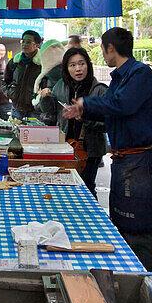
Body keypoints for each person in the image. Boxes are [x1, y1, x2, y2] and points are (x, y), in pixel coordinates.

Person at [63, 27, 152, 272]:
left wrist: (86, 103)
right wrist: (85, 112)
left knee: (138, 231)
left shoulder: (140, 74)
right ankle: (127, 276)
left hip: (140, 163)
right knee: (121, 226)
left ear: (110, 48)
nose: (103, 54)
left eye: (102, 49)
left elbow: (121, 105)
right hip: (124, 163)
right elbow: (113, 113)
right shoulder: (120, 77)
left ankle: (146, 282)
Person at [37, 47, 108, 194]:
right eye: (72, 65)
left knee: (87, 188)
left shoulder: (99, 90)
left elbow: (107, 124)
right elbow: (48, 111)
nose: (78, 69)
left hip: (91, 150)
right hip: (64, 148)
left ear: (88, 65)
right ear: (66, 68)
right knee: (65, 189)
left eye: (81, 64)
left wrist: (85, 119)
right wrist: (45, 98)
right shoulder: (61, 86)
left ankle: (89, 216)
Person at [2, 29, 42, 119]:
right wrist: (9, 93)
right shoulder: (15, 61)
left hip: (35, 110)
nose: (24, 44)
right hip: (17, 108)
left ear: (37, 45)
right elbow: (5, 81)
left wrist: (38, 100)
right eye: (23, 41)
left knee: (33, 133)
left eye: (28, 42)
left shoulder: (42, 63)